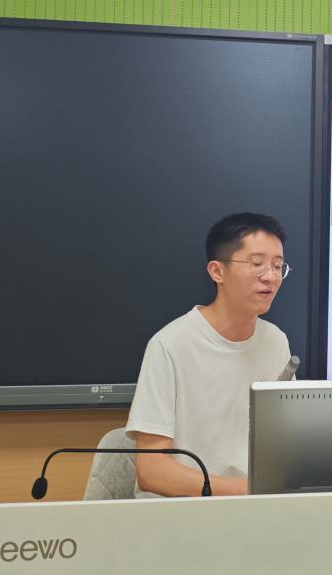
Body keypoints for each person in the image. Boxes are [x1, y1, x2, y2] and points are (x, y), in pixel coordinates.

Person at [126, 212, 293, 497]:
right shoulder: (169, 345)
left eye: (278, 266)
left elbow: (282, 446)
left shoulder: (276, 342)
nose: (270, 277)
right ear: (217, 271)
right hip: (186, 508)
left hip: (256, 508)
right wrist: (247, 491)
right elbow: (151, 470)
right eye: (257, 264)